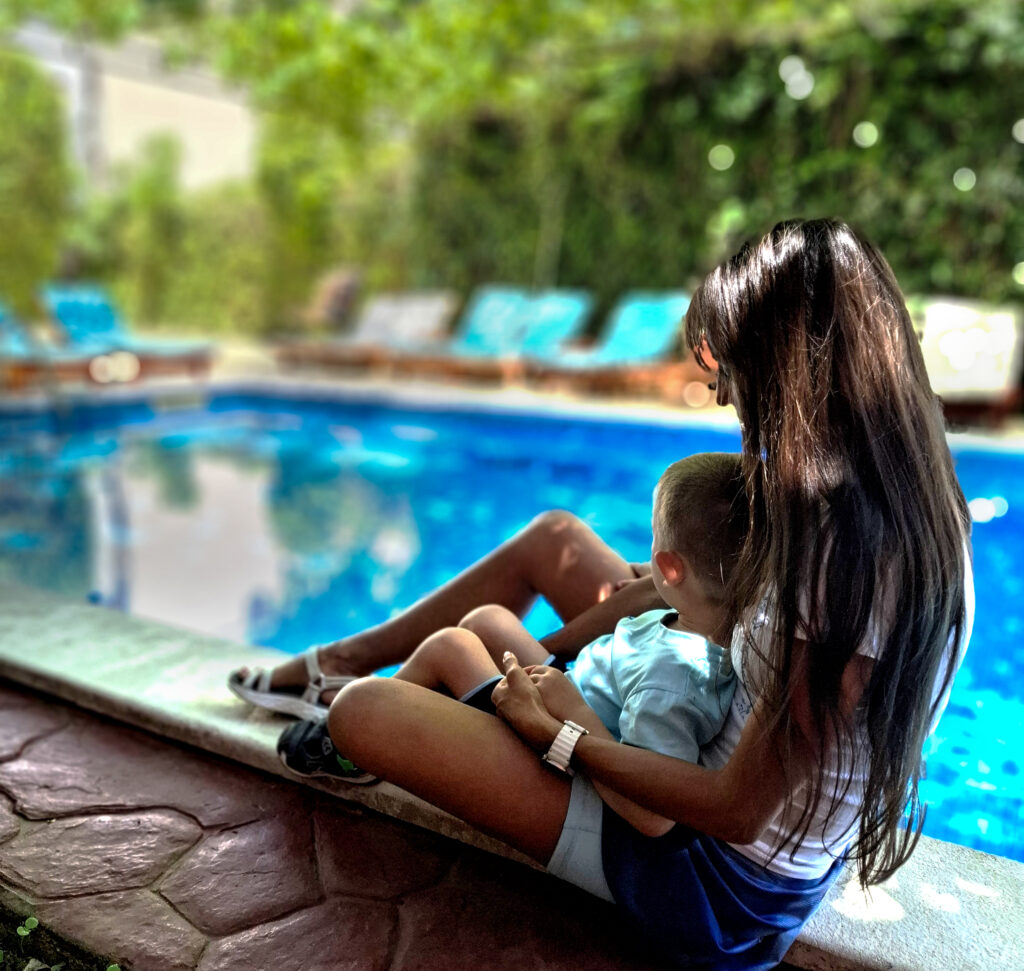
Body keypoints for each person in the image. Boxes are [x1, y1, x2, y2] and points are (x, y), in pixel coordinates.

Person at [312, 220, 973, 970]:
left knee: (364, 709)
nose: (723, 389)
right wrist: (653, 586)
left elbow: (735, 806)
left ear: (791, 362)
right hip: (687, 740)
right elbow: (761, 617)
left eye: (735, 364)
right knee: (556, 539)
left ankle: (380, 685)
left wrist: (559, 731)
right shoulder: (891, 497)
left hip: (709, 877)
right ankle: (350, 654)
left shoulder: (852, 555)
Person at [277, 454, 748, 830]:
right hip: (572, 694)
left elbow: (653, 813)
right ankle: (431, 710)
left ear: (668, 566)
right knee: (488, 619)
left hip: (565, 745)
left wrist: (571, 716)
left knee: (450, 647)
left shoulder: (673, 682)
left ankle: (354, 752)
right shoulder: (681, 619)